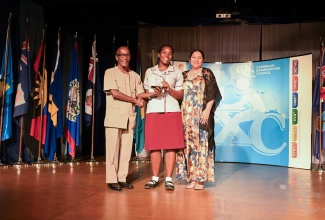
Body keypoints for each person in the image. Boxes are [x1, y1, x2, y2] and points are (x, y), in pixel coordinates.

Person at [139, 44, 184, 190]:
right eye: (164, 52)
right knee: (155, 146)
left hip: (172, 111)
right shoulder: (149, 72)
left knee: (171, 146)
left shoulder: (176, 72)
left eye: (170, 53)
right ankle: (154, 178)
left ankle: (169, 179)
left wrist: (169, 89)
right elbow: (146, 93)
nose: (167, 55)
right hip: (153, 111)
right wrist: (154, 93)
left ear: (172, 56)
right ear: (159, 54)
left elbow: (180, 95)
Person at [176, 49, 222, 190]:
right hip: (185, 116)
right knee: (187, 146)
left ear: (203, 60)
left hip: (201, 114)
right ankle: (191, 178)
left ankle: (200, 179)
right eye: (194, 57)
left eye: (199, 58)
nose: (196, 60)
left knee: (201, 145)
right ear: (189, 60)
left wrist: (207, 111)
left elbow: (213, 92)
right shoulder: (183, 75)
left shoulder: (206, 73)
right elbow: (178, 95)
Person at [104, 46, 145, 191]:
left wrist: (154, 94)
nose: (125, 58)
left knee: (126, 151)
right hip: (114, 118)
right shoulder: (110, 72)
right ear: (116, 57)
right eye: (121, 55)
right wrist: (135, 100)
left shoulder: (134, 75)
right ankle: (112, 179)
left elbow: (141, 94)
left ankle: (121, 178)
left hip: (129, 118)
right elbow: (115, 93)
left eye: (127, 55)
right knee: (113, 150)